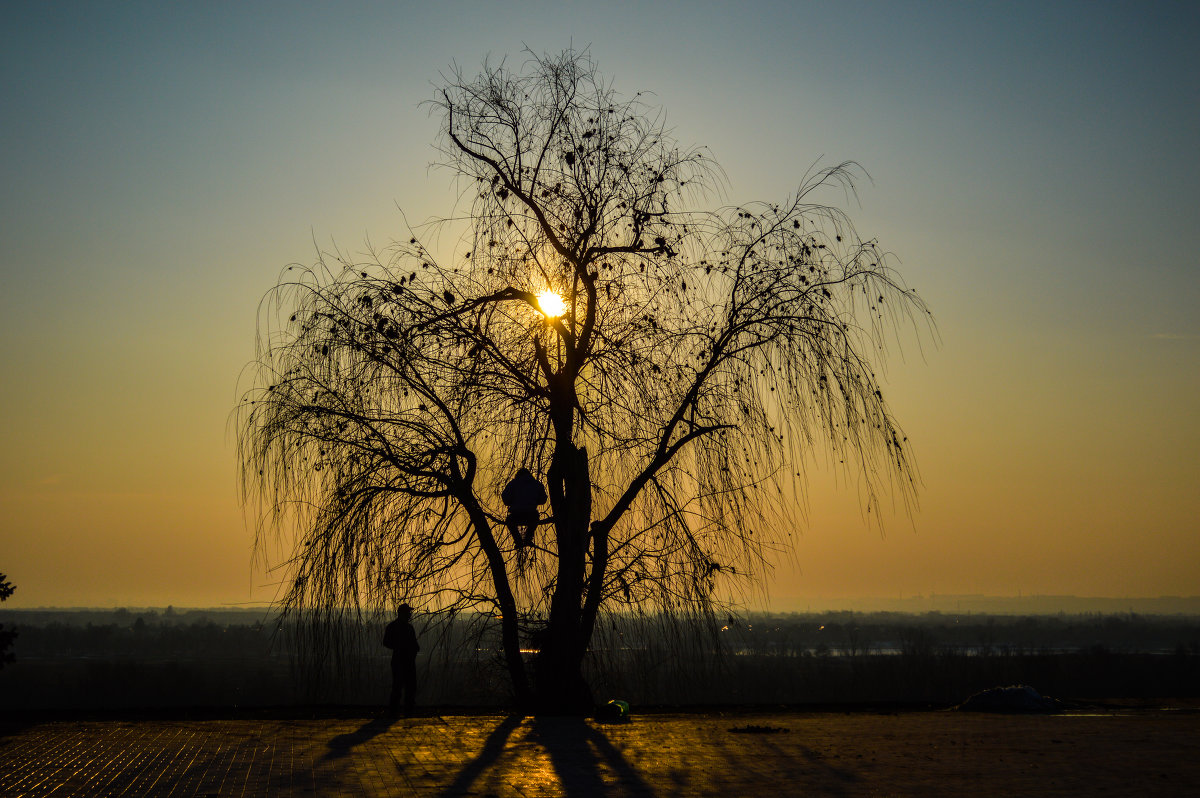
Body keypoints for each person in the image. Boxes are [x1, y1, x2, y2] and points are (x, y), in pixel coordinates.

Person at [382, 604, 420, 716]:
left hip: (405, 660)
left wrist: (414, 648)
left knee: (408, 686)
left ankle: (403, 709)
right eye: (408, 612)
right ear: (402, 613)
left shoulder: (401, 627)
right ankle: (400, 710)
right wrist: (402, 647)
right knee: (400, 686)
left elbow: (414, 644)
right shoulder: (399, 627)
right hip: (401, 660)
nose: (410, 614)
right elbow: (386, 642)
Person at [501, 467, 547, 548]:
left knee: (509, 521)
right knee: (535, 518)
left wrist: (513, 501)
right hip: (531, 514)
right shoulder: (537, 484)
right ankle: (528, 539)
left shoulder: (512, 484)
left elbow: (506, 498)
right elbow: (543, 499)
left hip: (516, 514)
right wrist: (534, 500)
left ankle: (518, 540)